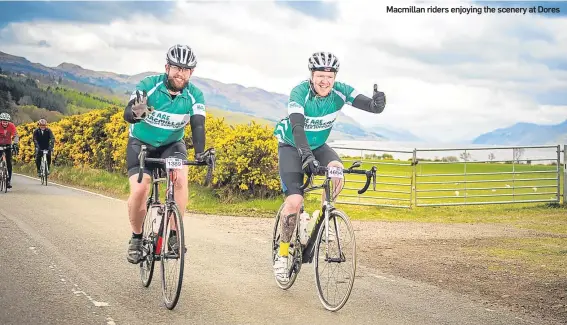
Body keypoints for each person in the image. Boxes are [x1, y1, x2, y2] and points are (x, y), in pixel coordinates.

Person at [272, 51, 386, 281]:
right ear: (311, 76)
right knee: (294, 201)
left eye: (329, 76)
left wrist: (377, 105)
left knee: (336, 170)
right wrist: (305, 154)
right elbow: (296, 127)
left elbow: (367, 104)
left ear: (335, 77)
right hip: (292, 145)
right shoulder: (300, 93)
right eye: (320, 75)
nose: (325, 80)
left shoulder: (340, 91)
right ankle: (283, 255)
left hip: (319, 146)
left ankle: (323, 217)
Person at [123, 44, 208, 264]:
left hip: (172, 144)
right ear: (167, 67)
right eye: (176, 68)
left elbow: (198, 125)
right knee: (141, 188)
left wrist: (200, 154)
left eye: (186, 69)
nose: (181, 73)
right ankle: (136, 237)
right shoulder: (148, 85)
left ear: (191, 72)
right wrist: (139, 111)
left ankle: (172, 235)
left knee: (180, 177)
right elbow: (130, 113)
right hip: (141, 143)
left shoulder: (195, 95)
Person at [0, 112, 19, 189]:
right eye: (3, 121)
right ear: (1, 121)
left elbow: (15, 135)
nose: (5, 123)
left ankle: (8, 181)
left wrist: (15, 143)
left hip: (8, 145)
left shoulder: (11, 126)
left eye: (6, 122)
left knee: (9, 163)